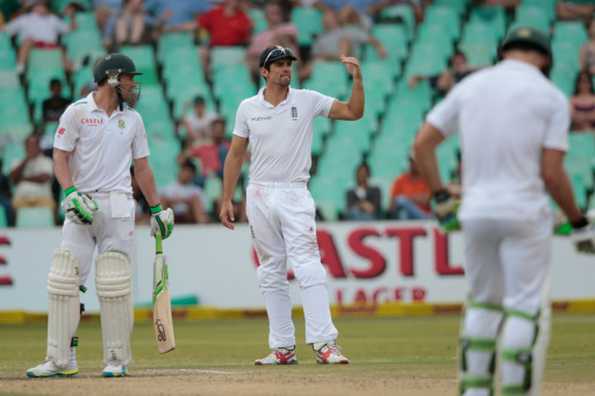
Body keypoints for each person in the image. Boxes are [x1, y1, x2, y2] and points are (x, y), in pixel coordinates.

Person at [413, 26, 595, 396]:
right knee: (523, 307)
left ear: (503, 51)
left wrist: (440, 196)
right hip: (525, 211)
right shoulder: (550, 97)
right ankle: (514, 390)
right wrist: (577, 221)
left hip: (476, 211)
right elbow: (552, 174)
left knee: (482, 303)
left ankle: (475, 390)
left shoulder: (471, 86)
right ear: (545, 57)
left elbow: (422, 145)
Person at [26, 53, 174, 378]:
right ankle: (61, 359)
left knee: (116, 283)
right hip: (81, 206)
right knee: (65, 281)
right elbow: (60, 158)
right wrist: (70, 193)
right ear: (111, 78)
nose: (134, 85)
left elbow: (143, 168)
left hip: (119, 205)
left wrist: (157, 209)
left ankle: (116, 359)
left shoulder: (133, 119)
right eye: (129, 78)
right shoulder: (77, 112)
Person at [220, 45, 364, 365]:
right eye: (279, 65)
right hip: (258, 193)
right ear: (264, 72)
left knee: (308, 264)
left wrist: (357, 81)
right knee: (270, 272)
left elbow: (354, 112)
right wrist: (226, 197)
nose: (286, 69)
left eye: (288, 64)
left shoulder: (307, 99)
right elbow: (235, 153)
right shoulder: (247, 107)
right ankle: (283, 348)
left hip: (294, 192)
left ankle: (325, 343)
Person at [2, 0, 76, 74]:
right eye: (39, 5)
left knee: (61, 49)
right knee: (27, 42)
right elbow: (7, 29)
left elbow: (68, 29)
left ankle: (73, 67)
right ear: (33, 7)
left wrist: (72, 16)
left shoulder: (53, 18)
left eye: (43, 6)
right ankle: (20, 67)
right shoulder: (24, 19)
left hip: (50, 44)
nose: (42, 8)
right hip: (32, 44)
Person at [10, 134, 55, 211]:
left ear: (39, 147)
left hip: (43, 198)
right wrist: (26, 160)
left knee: (51, 205)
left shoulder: (47, 161)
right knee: (13, 206)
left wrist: (23, 178)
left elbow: (44, 178)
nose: (31, 148)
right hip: (21, 198)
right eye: (29, 145)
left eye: (33, 145)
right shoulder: (17, 161)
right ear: (25, 147)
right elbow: (13, 179)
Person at [409, 51, 477, 96]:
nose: (459, 65)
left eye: (462, 62)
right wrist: (417, 78)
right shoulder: (448, 74)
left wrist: (469, 69)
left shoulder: (473, 74)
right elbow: (425, 77)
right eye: (456, 63)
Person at [388, 155, 432, 220]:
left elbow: (427, 199)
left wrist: (406, 200)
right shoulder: (400, 180)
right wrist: (415, 199)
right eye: (411, 161)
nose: (413, 164)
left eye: (416, 161)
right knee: (403, 211)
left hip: (424, 216)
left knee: (401, 200)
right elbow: (391, 205)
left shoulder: (428, 180)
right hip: (406, 216)